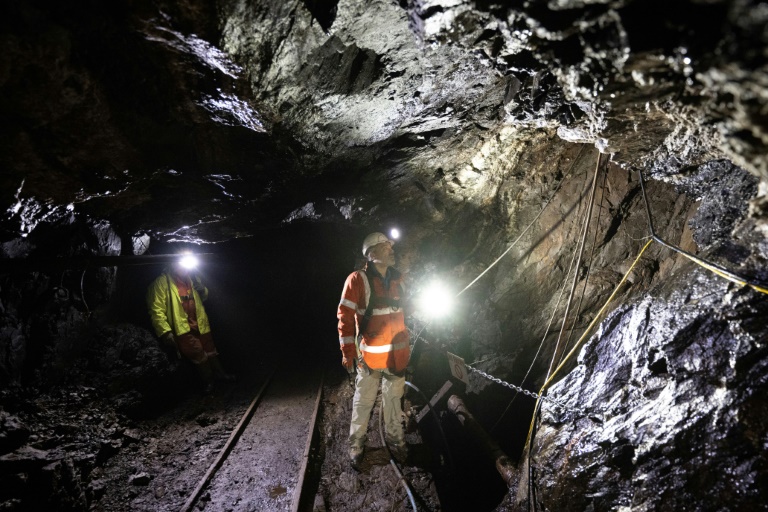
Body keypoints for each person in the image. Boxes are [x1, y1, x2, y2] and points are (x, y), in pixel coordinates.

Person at [337, 232, 410, 468]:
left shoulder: (400, 279)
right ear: (372, 254)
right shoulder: (357, 280)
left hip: (397, 357)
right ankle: (356, 444)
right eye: (385, 246)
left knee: (393, 401)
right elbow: (345, 319)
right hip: (370, 358)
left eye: (390, 246)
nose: (391, 249)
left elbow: (409, 312)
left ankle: (396, 441)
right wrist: (348, 353)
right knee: (364, 402)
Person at [146, 254, 233, 392]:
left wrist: (202, 289)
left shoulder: (192, 278)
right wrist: (165, 332)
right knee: (197, 353)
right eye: (181, 265)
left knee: (210, 349)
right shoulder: (161, 283)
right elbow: (156, 310)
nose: (185, 269)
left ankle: (221, 375)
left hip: (200, 323)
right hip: (182, 327)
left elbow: (203, 297)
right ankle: (209, 382)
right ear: (173, 264)